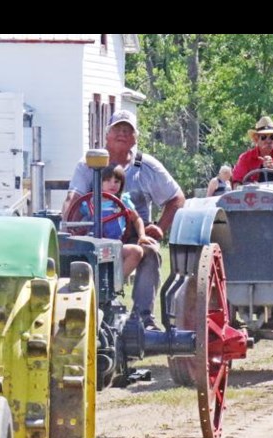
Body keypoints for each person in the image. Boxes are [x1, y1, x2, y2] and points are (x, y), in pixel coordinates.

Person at [63, 110, 186, 330]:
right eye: (117, 129)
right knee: (71, 252)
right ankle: (74, 305)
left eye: (127, 130)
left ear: (135, 138)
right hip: (94, 235)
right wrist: (68, 224)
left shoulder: (146, 166)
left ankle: (142, 318)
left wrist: (157, 229)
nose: (122, 133)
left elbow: (176, 198)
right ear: (107, 135)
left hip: (132, 236)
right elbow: (74, 198)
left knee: (150, 252)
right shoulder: (88, 165)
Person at [77, 164, 157, 279]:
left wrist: (142, 235)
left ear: (122, 184)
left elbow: (137, 219)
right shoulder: (89, 203)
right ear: (98, 182)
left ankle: (116, 283)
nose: (112, 184)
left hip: (114, 246)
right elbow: (76, 221)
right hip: (91, 247)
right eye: (108, 180)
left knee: (136, 251)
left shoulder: (122, 201)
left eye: (117, 181)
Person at [231, 116, 273, 186]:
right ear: (256, 139)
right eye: (263, 137)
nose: (268, 141)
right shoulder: (245, 158)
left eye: (272, 137)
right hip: (255, 195)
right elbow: (237, 182)